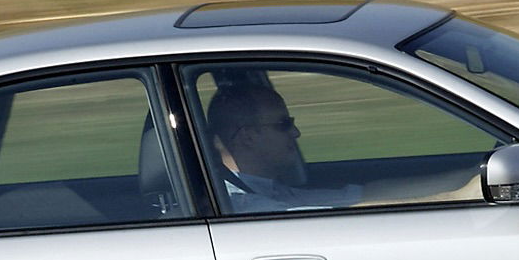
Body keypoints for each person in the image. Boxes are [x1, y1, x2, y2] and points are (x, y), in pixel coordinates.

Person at [207, 85, 482, 214]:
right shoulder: (243, 205)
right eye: (284, 124)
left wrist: (472, 175)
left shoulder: (271, 190)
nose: (296, 133)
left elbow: (365, 195)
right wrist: (457, 197)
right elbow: (342, 216)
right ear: (248, 137)